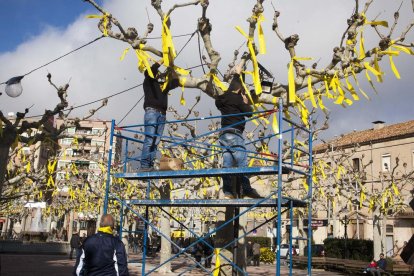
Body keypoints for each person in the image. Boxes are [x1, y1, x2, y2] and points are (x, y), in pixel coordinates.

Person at [215, 58, 262, 199]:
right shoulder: (238, 100)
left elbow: (219, 102)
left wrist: (239, 68)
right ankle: (246, 188)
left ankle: (228, 192)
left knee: (227, 164)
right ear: (240, 89)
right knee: (242, 162)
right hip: (235, 134)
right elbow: (249, 113)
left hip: (223, 135)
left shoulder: (222, 99)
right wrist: (246, 102)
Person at [140, 60, 179, 171]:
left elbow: (176, 82)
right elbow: (150, 71)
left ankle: (149, 165)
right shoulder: (148, 82)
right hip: (152, 112)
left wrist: (172, 69)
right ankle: (144, 165)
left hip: (162, 114)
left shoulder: (163, 86)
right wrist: (162, 60)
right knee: (150, 139)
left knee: (156, 141)